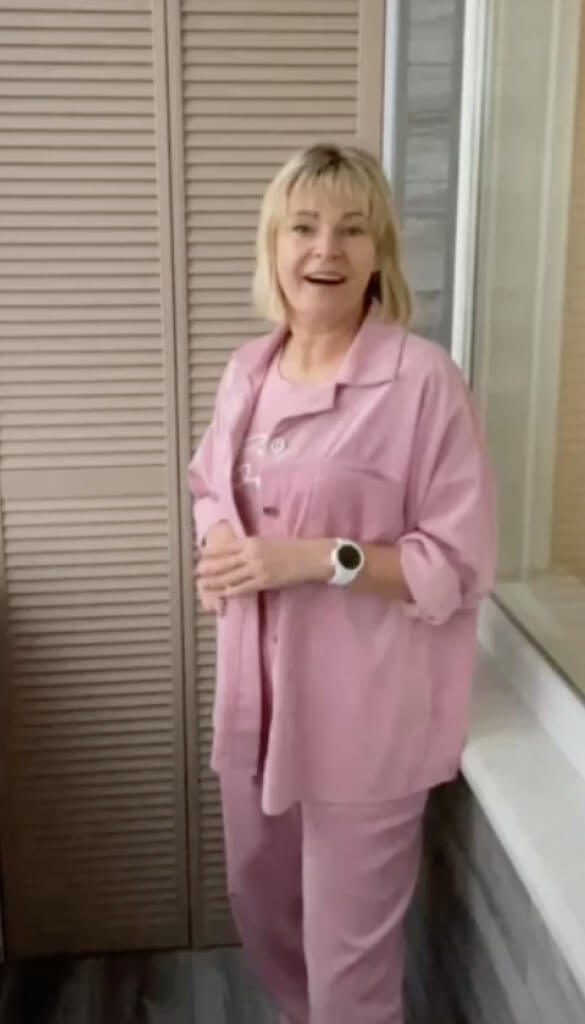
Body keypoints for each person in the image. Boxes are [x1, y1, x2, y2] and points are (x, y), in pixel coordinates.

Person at [188, 143, 497, 1024]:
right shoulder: (248, 372)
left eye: (352, 229)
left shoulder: (421, 383)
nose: (326, 248)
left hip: (363, 724)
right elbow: (209, 485)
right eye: (304, 227)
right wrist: (219, 544)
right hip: (255, 708)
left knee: (348, 975)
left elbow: (455, 563)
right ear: (274, 245)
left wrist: (323, 557)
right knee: (266, 921)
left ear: (378, 253)